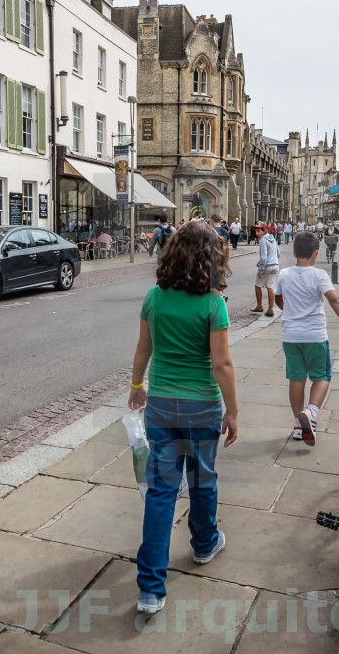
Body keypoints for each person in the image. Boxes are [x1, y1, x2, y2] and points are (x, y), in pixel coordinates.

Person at [128, 221, 238, 615]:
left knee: (160, 492)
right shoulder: (213, 303)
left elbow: (143, 349)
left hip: (161, 404)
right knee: (202, 480)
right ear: (213, 259)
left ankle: (150, 590)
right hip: (202, 407)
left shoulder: (154, 298)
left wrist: (136, 385)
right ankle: (205, 544)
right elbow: (222, 363)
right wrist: (234, 411)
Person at [275, 231, 339, 445]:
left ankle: (297, 425)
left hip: (291, 336)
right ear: (316, 253)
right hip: (315, 336)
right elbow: (335, 300)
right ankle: (310, 413)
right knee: (321, 376)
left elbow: (278, 299)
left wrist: (289, 311)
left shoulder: (283, 274)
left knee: (296, 378)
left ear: (294, 253)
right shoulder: (320, 275)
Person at [250, 223, 279, 316]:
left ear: (264, 231)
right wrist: (274, 260)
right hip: (275, 265)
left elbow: (263, 257)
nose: (256, 233)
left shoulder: (263, 240)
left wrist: (261, 269)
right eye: (256, 231)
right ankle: (270, 309)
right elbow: (278, 253)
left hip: (267, 266)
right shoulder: (273, 238)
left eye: (259, 231)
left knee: (258, 285)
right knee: (270, 287)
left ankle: (259, 306)